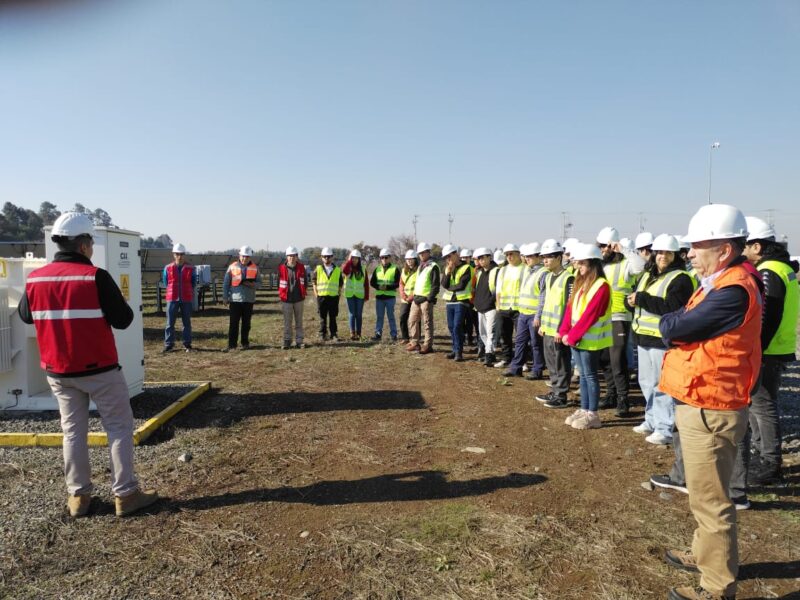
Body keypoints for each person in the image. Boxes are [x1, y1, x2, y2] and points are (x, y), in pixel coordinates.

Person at [18, 212, 157, 517]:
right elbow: (123, 319)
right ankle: (125, 494)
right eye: (91, 242)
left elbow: (26, 316)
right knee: (119, 428)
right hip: (100, 370)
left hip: (58, 371)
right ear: (83, 246)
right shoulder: (95, 277)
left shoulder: (35, 279)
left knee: (72, 432)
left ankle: (78, 497)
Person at [658, 204, 761, 600]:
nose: (690, 254)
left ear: (724, 250)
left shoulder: (733, 290)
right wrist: (677, 326)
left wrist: (675, 326)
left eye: (698, 246)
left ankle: (716, 588)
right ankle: (704, 556)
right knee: (703, 495)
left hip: (712, 406)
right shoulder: (719, 282)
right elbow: (680, 326)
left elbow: (676, 326)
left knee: (712, 502)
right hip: (702, 399)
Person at [743, 216, 798, 485]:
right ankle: (763, 456)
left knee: (761, 406)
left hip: (768, 350)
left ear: (757, 246)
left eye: (745, 245)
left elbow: (768, 316)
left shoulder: (769, 271)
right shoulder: (782, 267)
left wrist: (756, 349)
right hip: (779, 347)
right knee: (761, 404)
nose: (742, 251)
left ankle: (769, 462)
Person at [626, 234, 695, 443]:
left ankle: (664, 428)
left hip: (662, 339)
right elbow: (639, 298)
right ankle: (651, 420)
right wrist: (632, 300)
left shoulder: (680, 278)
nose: (662, 256)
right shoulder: (648, 275)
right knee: (646, 382)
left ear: (675, 255)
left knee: (661, 385)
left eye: (667, 253)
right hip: (644, 337)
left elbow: (672, 308)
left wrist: (642, 299)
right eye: (659, 252)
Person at [555, 243, 612, 429]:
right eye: (577, 263)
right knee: (584, 376)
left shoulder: (601, 286)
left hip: (590, 340)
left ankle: (592, 414)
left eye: (582, 264)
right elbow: (570, 310)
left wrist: (571, 336)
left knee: (590, 375)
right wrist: (564, 331)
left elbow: (590, 315)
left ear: (594, 264)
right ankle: (584, 408)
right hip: (577, 339)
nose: (578, 267)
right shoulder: (580, 284)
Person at [595, 227, 644, 416]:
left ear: (611, 246)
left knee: (617, 359)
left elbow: (641, 267)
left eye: (603, 246)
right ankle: (611, 394)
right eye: (599, 246)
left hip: (619, 317)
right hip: (602, 318)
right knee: (605, 359)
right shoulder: (602, 265)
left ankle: (623, 399)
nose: (600, 249)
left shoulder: (626, 264)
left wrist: (623, 249)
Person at [535, 239, 575, 408]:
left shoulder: (568, 278)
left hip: (559, 331)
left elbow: (569, 306)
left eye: (549, 257)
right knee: (551, 361)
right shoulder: (548, 276)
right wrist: (543, 325)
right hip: (548, 328)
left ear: (559, 257)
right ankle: (555, 389)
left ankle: (561, 395)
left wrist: (562, 330)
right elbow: (545, 301)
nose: (545, 260)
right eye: (544, 257)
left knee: (561, 362)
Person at [504, 243, 546, 378]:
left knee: (536, 344)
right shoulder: (528, 270)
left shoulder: (543, 273)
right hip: (523, 312)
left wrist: (538, 316)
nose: (526, 259)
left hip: (534, 314)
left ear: (538, 257)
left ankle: (537, 370)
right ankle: (516, 368)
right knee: (520, 341)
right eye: (526, 256)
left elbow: (542, 297)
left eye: (530, 256)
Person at [222, 246, 260, 351]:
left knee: (246, 324)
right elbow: (226, 283)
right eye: (243, 256)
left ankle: (245, 343)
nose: (244, 258)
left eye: (247, 257)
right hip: (235, 300)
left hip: (249, 300)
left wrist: (252, 285)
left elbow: (259, 283)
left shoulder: (255, 267)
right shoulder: (232, 267)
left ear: (250, 257)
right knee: (233, 323)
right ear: (239, 255)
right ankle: (232, 345)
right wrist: (225, 297)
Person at [493, 243, 524, 368]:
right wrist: (498, 307)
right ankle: (506, 358)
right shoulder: (503, 270)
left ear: (518, 254)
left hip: (519, 308)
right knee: (505, 336)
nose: (509, 256)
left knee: (520, 338)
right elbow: (498, 289)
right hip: (504, 308)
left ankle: (521, 361)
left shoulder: (524, 269)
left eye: (511, 254)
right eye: (507, 254)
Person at [162, 242, 196, 353]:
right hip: (172, 298)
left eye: (181, 254)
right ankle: (168, 344)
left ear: (184, 255)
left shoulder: (191, 268)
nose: (179, 256)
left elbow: (193, 282)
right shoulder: (167, 268)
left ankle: (187, 344)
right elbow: (166, 282)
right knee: (170, 323)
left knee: (187, 323)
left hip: (186, 298)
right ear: (173, 254)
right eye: (177, 254)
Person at [407, 242, 440, 355]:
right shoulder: (420, 266)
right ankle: (415, 342)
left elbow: (435, 285)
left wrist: (429, 299)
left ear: (428, 252)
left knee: (427, 322)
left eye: (422, 253)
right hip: (416, 298)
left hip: (426, 299)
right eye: (419, 253)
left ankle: (427, 345)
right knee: (412, 320)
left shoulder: (433, 266)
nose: (421, 255)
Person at [441, 244, 472, 361]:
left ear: (456, 254)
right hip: (450, 302)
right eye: (445, 257)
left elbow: (461, 285)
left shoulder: (466, 268)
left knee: (457, 326)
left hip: (461, 301)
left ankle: (459, 351)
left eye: (449, 256)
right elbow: (444, 284)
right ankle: (454, 349)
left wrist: (450, 287)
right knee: (451, 326)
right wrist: (448, 272)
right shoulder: (447, 268)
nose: (447, 259)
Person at [472, 248, 497, 365]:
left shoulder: (496, 271)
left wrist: (491, 302)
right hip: (480, 307)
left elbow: (497, 291)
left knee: (490, 332)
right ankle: (491, 353)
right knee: (482, 332)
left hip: (491, 307)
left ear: (489, 257)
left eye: (483, 258)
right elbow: (478, 289)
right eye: (479, 258)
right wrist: (477, 303)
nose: (481, 260)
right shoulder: (480, 272)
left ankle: (488, 354)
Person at [312, 247, 343, 342]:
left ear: (332, 257)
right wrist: (316, 295)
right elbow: (314, 282)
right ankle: (323, 334)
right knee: (322, 317)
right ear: (321, 257)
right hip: (322, 297)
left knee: (333, 317)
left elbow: (340, 284)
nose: (327, 258)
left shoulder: (337, 270)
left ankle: (333, 334)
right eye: (325, 256)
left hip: (333, 297)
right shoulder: (318, 269)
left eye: (328, 256)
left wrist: (338, 295)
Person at [278, 246, 306, 349]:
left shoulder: (301, 267)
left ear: (297, 257)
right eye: (290, 256)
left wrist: (302, 293)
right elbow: (278, 283)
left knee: (299, 321)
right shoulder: (281, 268)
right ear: (287, 257)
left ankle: (299, 341)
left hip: (299, 299)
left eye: (293, 256)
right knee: (287, 322)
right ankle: (287, 341)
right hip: (286, 299)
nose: (292, 258)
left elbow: (305, 282)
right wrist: (282, 295)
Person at [370, 248, 401, 341]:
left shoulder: (395, 269)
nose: (384, 259)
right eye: (382, 257)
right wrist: (379, 287)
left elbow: (398, 283)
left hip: (390, 298)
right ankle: (378, 334)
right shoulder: (377, 269)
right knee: (379, 317)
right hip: (379, 298)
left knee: (391, 316)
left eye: (386, 257)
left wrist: (387, 287)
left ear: (390, 258)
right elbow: (372, 282)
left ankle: (394, 334)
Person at [342, 249, 370, 340]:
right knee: (352, 314)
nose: (354, 260)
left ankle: (359, 333)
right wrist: (349, 261)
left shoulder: (363, 268)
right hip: (349, 294)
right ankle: (352, 333)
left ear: (359, 259)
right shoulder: (348, 267)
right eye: (353, 258)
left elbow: (366, 283)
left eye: (356, 258)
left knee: (359, 314)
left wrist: (366, 296)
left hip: (359, 295)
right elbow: (344, 271)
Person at [398, 250, 419, 343]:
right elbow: (401, 283)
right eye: (407, 259)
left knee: (415, 319)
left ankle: (416, 338)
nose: (409, 261)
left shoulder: (419, 270)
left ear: (415, 259)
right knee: (402, 317)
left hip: (415, 298)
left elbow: (420, 285)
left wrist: (412, 296)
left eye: (411, 259)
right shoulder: (403, 270)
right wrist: (403, 294)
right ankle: (405, 337)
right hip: (405, 299)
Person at [459, 248, 479, 346]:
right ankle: (463, 337)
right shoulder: (459, 268)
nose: (464, 259)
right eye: (462, 257)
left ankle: (470, 338)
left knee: (470, 320)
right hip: (463, 298)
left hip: (471, 299)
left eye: (466, 257)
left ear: (469, 258)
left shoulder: (474, 268)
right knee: (462, 320)